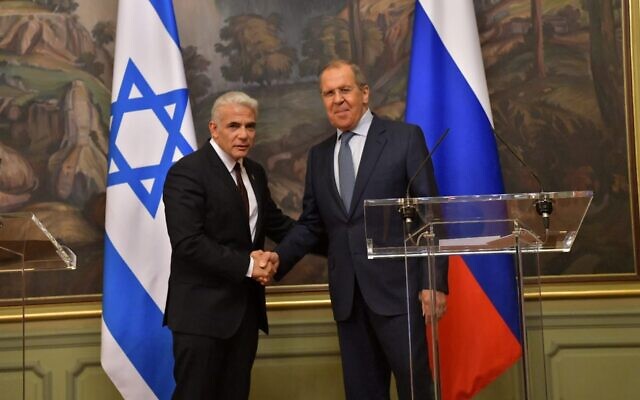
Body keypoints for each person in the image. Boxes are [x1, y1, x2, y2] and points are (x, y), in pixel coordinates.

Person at [274, 60, 448, 400]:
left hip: (401, 294)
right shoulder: (319, 155)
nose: (337, 99)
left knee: (416, 390)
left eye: (344, 90)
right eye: (328, 93)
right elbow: (311, 224)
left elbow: (430, 214)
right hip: (348, 298)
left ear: (364, 93)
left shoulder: (403, 138)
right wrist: (277, 259)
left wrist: (434, 281)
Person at [162, 91, 293, 399]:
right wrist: (250, 266)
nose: (244, 135)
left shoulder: (255, 172)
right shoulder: (187, 172)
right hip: (200, 317)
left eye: (250, 126)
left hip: (244, 316)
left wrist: (339, 240)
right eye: (234, 126)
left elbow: (278, 225)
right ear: (213, 128)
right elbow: (188, 243)